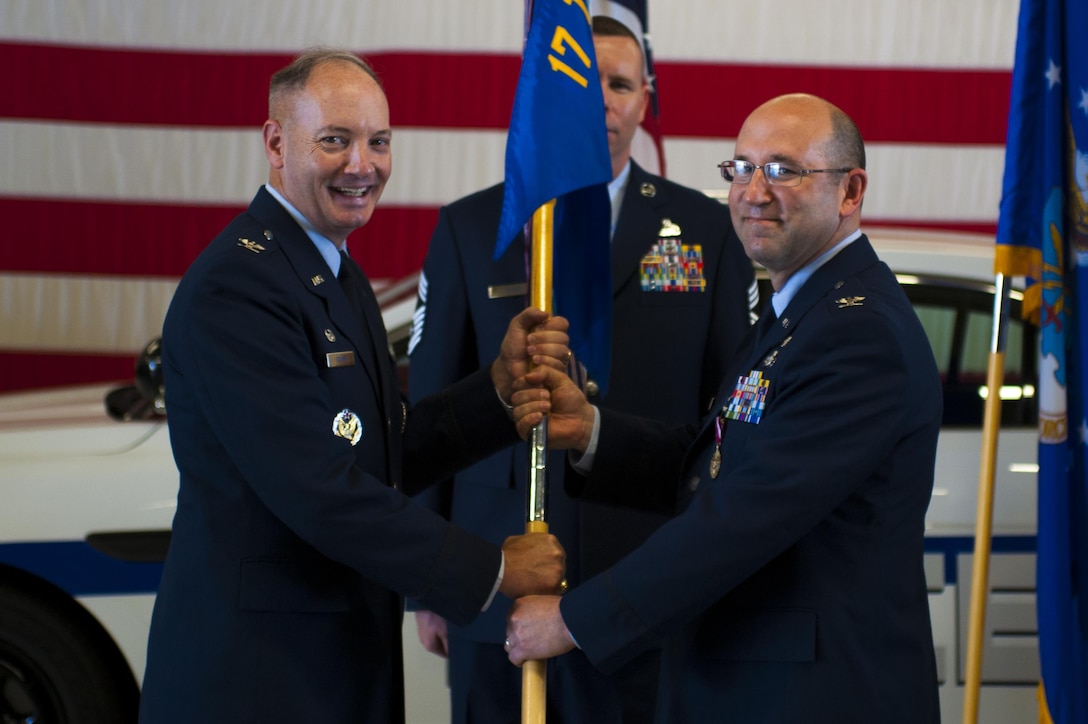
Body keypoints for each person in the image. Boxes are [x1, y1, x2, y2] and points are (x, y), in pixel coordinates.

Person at [138, 48, 569, 724]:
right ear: (277, 144)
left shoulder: (330, 269)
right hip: (258, 682)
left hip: (326, 666)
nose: (362, 165)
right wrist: (492, 571)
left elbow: (376, 455)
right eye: (335, 140)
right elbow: (318, 489)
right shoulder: (240, 285)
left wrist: (495, 393)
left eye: (378, 141)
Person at [505, 93, 943, 723]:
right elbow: (721, 463)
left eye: (784, 170)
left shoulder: (857, 332)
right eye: (741, 168)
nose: (754, 191)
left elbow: (745, 516)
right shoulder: (799, 310)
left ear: (851, 192)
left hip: (815, 697)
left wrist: (576, 620)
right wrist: (592, 434)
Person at [407, 16, 756, 724]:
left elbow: (729, 409)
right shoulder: (473, 228)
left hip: (641, 576)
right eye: (579, 80)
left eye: (619, 83)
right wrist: (430, 584)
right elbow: (431, 404)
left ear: (644, 100)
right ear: (545, 92)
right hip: (493, 574)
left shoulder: (706, 231)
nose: (598, 99)